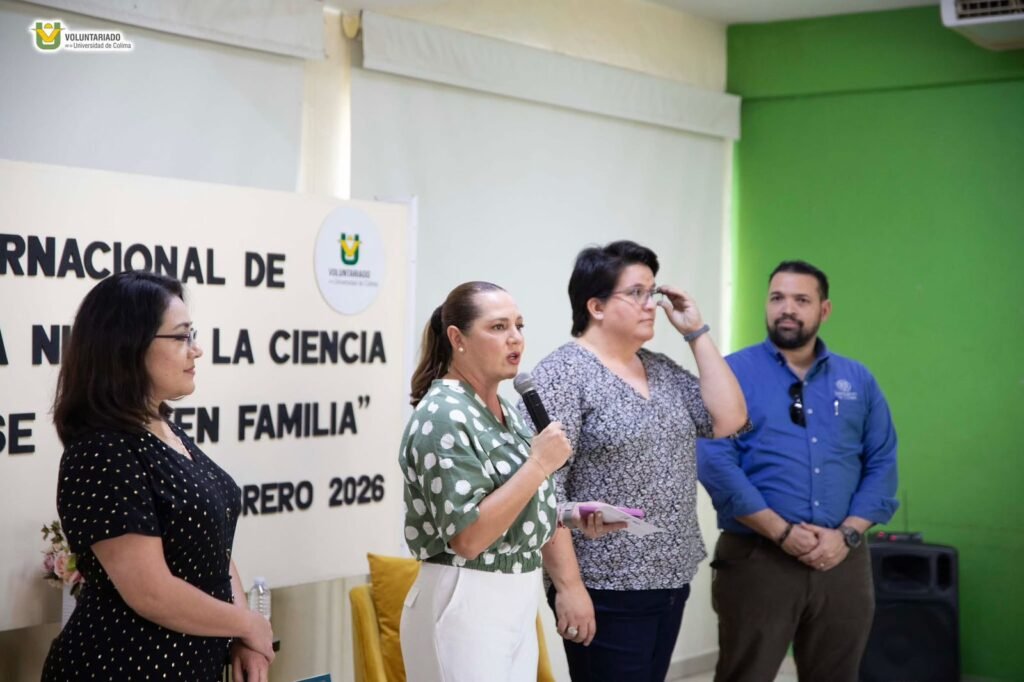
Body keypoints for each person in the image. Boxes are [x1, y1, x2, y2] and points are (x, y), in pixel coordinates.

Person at [522, 240, 749, 682]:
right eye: (637, 293)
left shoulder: (659, 368)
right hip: (604, 586)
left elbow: (729, 418)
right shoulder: (563, 374)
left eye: (653, 292)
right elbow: (543, 491)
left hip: (670, 577)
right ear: (596, 306)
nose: (652, 305)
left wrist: (696, 332)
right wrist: (569, 587)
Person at [42, 271, 274, 682]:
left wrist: (242, 633)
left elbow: (213, 548)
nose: (196, 350)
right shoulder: (101, 450)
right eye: (182, 337)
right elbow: (150, 591)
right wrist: (247, 623)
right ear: (129, 347)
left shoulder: (164, 428)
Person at [697, 260, 899, 682]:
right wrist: (781, 532)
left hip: (843, 559)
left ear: (824, 310)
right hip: (758, 558)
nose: (787, 308)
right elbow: (714, 460)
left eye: (801, 300)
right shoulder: (731, 373)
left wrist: (847, 535)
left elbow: (881, 461)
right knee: (745, 674)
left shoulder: (857, 379)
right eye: (777, 298)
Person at [399, 281, 573, 682]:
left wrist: (568, 515)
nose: (515, 338)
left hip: (517, 595)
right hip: (466, 596)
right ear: (457, 338)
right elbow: (468, 537)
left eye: (519, 325)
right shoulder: (443, 415)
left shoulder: (505, 410)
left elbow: (510, 502)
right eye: (498, 327)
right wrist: (538, 464)